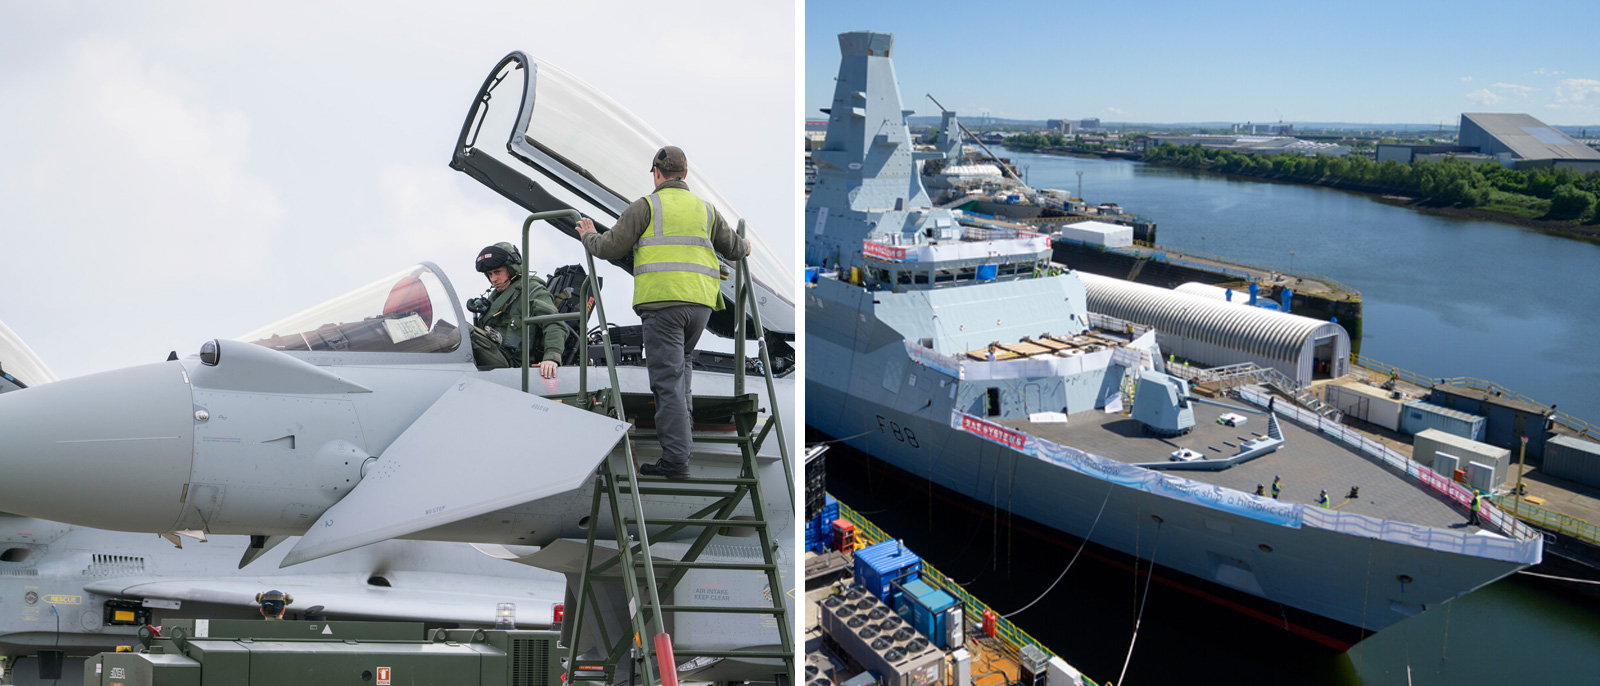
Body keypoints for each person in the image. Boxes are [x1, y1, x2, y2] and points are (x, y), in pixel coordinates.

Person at [575, 146, 750, 480]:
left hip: (662, 307)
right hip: (701, 307)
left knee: (667, 384)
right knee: (680, 377)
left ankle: (675, 462)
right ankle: (680, 452)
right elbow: (735, 248)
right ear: (685, 175)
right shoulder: (706, 210)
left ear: (656, 173)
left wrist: (587, 236)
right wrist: (746, 246)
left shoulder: (645, 206)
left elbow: (610, 247)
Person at [468, 242, 567, 378]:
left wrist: (551, 357)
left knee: (464, 332)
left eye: (497, 272)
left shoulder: (531, 290)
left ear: (512, 268)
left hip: (511, 361)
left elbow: (554, 323)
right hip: (493, 351)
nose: (493, 279)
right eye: (490, 274)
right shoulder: (498, 294)